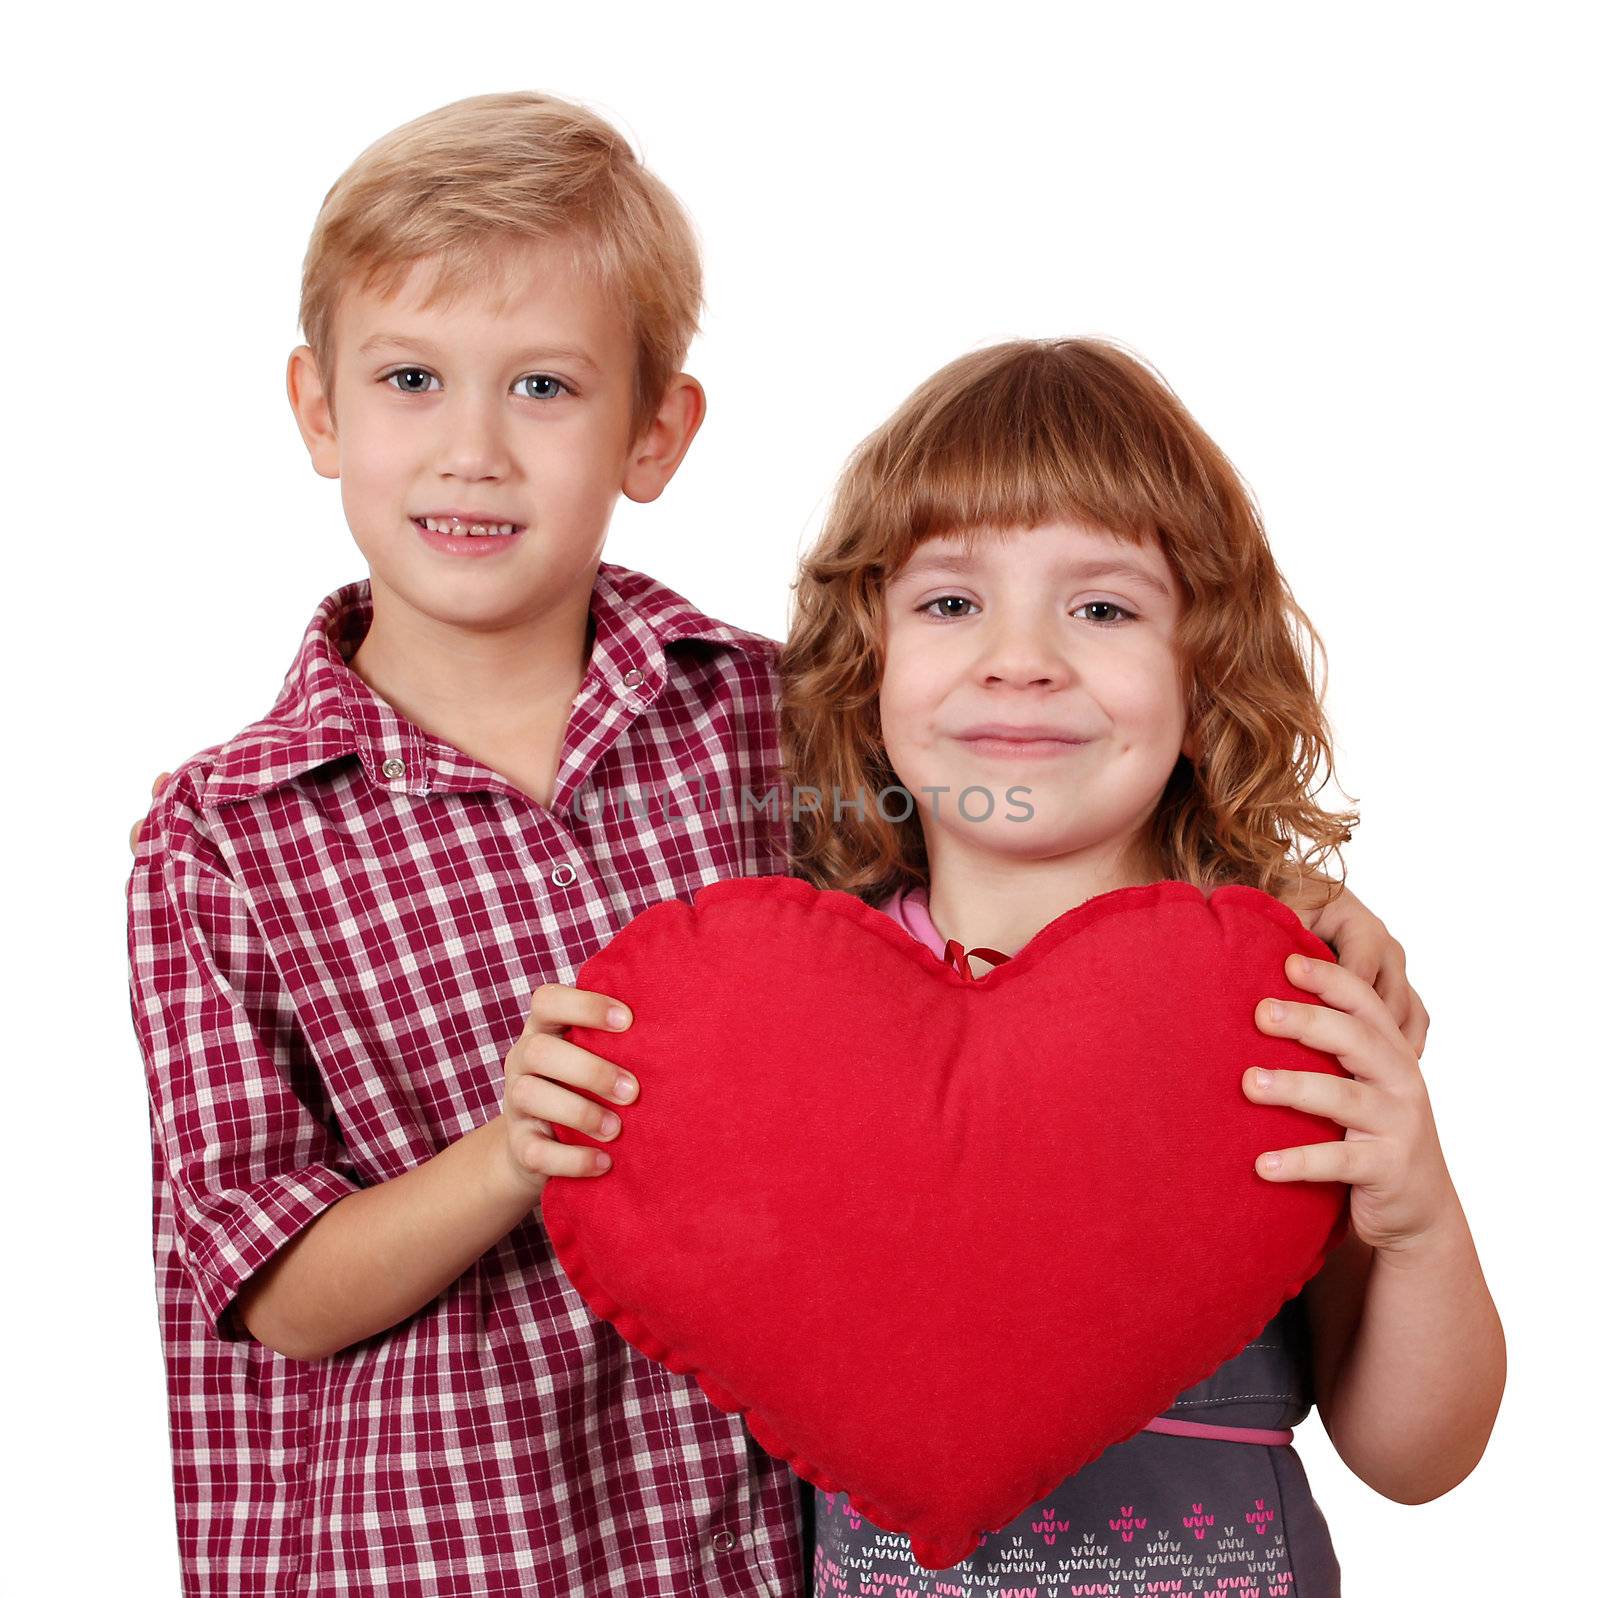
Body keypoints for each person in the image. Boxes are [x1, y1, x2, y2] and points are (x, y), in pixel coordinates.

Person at [124, 91, 1427, 1598]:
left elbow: (1035, 830)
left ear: (656, 431)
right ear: (319, 409)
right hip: (446, 1546)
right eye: (411, 378)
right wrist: (510, 1155)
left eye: (544, 386)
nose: (472, 448)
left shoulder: (782, 716)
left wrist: (1280, 900)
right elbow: (269, 1288)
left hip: (759, 1551)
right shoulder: (220, 837)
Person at [773, 336, 1504, 1594]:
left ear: (1200, 661)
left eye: (1101, 607)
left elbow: (1414, 1457)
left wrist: (1418, 1216)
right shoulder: (804, 998)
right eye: (951, 602)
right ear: (867, 652)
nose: (1020, 657)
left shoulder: (1283, 1002)